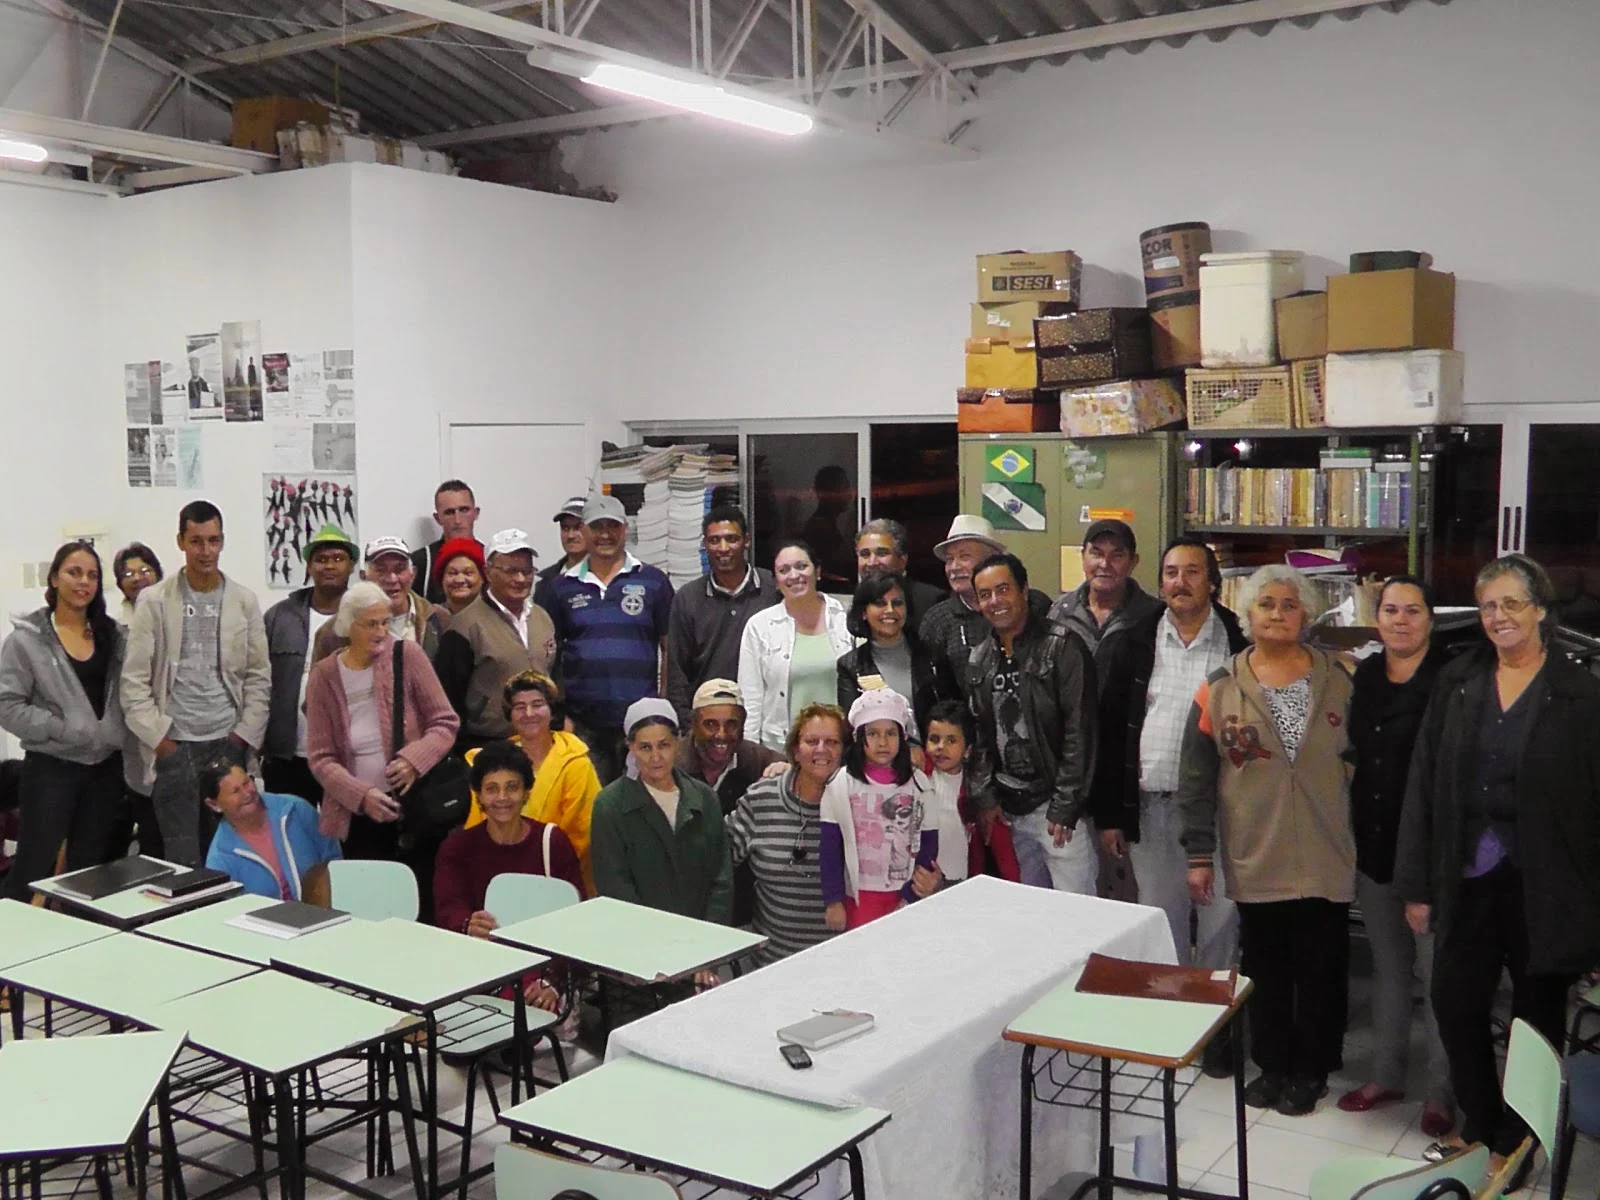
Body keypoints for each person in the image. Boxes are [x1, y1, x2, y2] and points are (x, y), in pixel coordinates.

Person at [1396, 554, 1600, 1174]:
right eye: (1488, 606)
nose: (1499, 617)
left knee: (1535, 1021)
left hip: (1549, 886)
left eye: (1513, 603)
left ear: (1540, 609)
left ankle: (1518, 1141)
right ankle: (1481, 1126)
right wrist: (1417, 883)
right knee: (1455, 1003)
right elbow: (1424, 787)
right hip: (1468, 876)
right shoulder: (1459, 683)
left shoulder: (1581, 694)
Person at [1179, 564, 1353, 1118]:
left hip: (1328, 849)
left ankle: (1313, 1069)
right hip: (1257, 850)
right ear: (1248, 616)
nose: (1278, 614)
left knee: (1322, 968)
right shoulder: (1218, 688)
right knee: (1268, 968)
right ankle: (1273, 1065)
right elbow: (1197, 778)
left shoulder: (1342, 678)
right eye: (1266, 605)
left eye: (1289, 604)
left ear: (1305, 614)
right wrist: (1200, 854)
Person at [1094, 536, 1247, 966]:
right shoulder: (1132, 642)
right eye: (1171, 573)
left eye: (1193, 572)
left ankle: (1216, 1025)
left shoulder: (1239, 642)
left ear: (1213, 583)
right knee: (1162, 924)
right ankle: (1173, 1022)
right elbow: (1108, 731)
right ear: (1160, 584)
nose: (1181, 582)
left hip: (1222, 811)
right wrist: (1110, 816)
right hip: (1153, 808)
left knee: (1220, 921)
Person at [1339, 575, 1452, 1133]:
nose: (1401, 620)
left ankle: (1442, 1093)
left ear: (1430, 618)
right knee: (1388, 969)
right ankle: (1386, 1074)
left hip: (1430, 858)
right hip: (1375, 845)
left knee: (1437, 981)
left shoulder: (1452, 679)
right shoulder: (1366, 674)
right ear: (1376, 618)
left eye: (1412, 610)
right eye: (1390, 610)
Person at [122, 501, 270, 867]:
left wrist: (243, 737)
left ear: (222, 542)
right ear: (181, 541)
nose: (206, 551)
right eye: (197, 541)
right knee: (183, 860)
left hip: (228, 743)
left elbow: (258, 675)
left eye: (213, 541)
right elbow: (134, 681)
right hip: (176, 745)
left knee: (234, 852)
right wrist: (161, 742)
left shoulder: (244, 601)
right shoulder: (154, 601)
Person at [305, 582, 460, 911]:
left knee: (421, 904)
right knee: (368, 907)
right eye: (371, 624)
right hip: (359, 815)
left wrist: (413, 760)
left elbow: (445, 722)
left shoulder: (408, 655)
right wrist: (360, 796)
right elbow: (320, 758)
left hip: (415, 810)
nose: (381, 631)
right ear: (349, 626)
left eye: (385, 622)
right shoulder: (323, 676)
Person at [0, 542, 128, 899]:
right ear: (54, 578)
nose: (83, 582)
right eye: (74, 572)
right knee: (33, 866)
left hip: (104, 770)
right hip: (51, 769)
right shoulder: (26, 641)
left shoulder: (114, 637)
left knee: (87, 873)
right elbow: (7, 704)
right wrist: (62, 730)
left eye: (92, 575)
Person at [966, 553, 1099, 895]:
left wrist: (1065, 806)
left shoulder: (1062, 646)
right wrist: (985, 797)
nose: (995, 601)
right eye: (985, 594)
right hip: (1010, 810)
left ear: (1023, 589)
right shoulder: (980, 658)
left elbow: (1079, 731)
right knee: (1032, 915)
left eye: (1003, 589)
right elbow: (981, 735)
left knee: (1077, 918)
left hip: (1056, 809)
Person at [434, 739, 585, 1012]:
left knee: (524, 1015)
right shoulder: (457, 848)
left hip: (543, 969)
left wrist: (553, 982)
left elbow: (576, 922)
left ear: (527, 792)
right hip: (479, 967)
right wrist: (467, 923)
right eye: (492, 789)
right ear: (478, 795)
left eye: (512, 787)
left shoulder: (552, 842)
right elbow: (447, 908)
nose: (502, 798)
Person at [545, 496, 674, 785]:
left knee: (643, 802)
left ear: (625, 529)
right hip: (583, 726)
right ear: (584, 531)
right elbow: (551, 657)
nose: (605, 534)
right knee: (592, 806)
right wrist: (560, 715)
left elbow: (669, 648)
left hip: (642, 723)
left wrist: (663, 705)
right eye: (596, 526)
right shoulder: (560, 588)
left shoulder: (654, 581)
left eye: (612, 526)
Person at [589, 700, 732, 948]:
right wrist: (652, 947)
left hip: (700, 944)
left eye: (664, 745)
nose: (656, 757)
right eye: (645, 747)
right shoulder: (610, 806)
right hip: (639, 949)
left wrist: (709, 943)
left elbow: (721, 878)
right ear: (630, 747)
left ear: (677, 742)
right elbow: (615, 887)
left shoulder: (703, 798)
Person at [726, 702, 847, 965]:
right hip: (769, 965)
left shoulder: (860, 803)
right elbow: (717, 863)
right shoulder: (761, 799)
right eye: (811, 741)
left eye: (833, 742)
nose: (821, 750)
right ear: (794, 749)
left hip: (841, 963)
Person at [461, 672, 601, 893]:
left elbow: (582, 837)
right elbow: (477, 827)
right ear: (510, 714)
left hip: (558, 881)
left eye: (537, 705)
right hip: (495, 880)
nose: (529, 714)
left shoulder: (577, 764)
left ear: (551, 709)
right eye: (519, 707)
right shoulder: (491, 762)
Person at [819, 688, 938, 930]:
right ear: (859, 738)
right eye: (873, 734)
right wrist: (833, 900)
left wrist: (912, 893)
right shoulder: (841, 784)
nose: (882, 742)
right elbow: (830, 848)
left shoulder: (919, 784)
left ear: (903, 737)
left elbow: (928, 841)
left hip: (905, 895)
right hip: (859, 899)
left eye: (890, 733)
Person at [434, 530, 558, 754]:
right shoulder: (465, 626)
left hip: (542, 743)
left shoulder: (543, 618)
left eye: (527, 571)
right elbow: (448, 700)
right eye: (510, 571)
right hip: (488, 746)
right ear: (488, 573)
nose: (520, 579)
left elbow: (554, 678)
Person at [261, 524, 357, 806]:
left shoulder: (363, 618)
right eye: (321, 559)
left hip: (345, 755)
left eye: (338, 559)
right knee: (288, 833)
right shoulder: (279, 616)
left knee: (341, 838)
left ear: (351, 565)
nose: (329, 566)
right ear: (309, 566)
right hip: (286, 754)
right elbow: (258, 679)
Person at [676, 678, 783, 925]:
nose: (721, 735)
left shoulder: (759, 761)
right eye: (710, 725)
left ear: (744, 725)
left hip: (741, 901)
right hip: (683, 896)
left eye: (731, 724)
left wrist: (788, 772)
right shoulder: (672, 766)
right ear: (693, 724)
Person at [665, 506, 779, 726]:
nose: (723, 548)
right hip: (708, 722)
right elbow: (677, 674)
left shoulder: (772, 589)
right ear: (705, 544)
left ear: (746, 541)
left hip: (765, 719)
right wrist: (688, 726)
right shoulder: (688, 598)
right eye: (714, 540)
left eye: (731, 539)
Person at [918, 516, 1052, 700]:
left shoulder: (1034, 603)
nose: (954, 567)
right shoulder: (937, 619)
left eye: (964, 557)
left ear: (991, 561)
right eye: (949, 559)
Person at [738, 540, 853, 753]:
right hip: (781, 750)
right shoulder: (760, 627)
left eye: (801, 566)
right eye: (784, 570)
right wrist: (752, 754)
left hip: (840, 748)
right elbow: (750, 700)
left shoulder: (845, 618)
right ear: (776, 582)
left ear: (818, 572)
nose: (794, 575)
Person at [202, 757, 341, 904]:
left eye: (247, 782)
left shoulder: (296, 809)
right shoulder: (219, 860)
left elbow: (334, 859)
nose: (247, 793)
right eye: (236, 791)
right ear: (214, 804)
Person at [836, 572, 943, 741]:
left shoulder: (932, 655)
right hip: (879, 761)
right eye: (880, 603)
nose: (890, 610)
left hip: (934, 757)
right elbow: (854, 729)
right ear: (863, 612)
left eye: (898, 603)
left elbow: (949, 713)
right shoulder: (849, 666)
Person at [1050, 519, 1163, 678]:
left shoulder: (1155, 617)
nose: (1104, 564)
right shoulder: (1059, 613)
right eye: (1096, 554)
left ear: (1133, 562)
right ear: (1083, 558)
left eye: (1117, 556)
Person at [315, 537, 443, 662]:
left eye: (399, 570)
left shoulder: (439, 619)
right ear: (364, 576)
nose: (392, 579)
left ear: (412, 574)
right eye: (381, 570)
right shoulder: (334, 631)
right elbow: (319, 681)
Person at [854, 519, 946, 628]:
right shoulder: (852, 603)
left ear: (902, 560)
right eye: (865, 554)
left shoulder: (931, 601)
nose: (872, 562)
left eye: (882, 553)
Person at [410, 480, 481, 606]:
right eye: (449, 512)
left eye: (464, 510)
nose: (457, 520)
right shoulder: (421, 562)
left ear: (476, 513)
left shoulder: (491, 558)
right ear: (438, 518)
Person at [801, 464, 857, 590]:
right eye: (844, 489)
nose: (849, 495)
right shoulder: (820, 528)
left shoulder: (830, 524)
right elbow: (839, 569)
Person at [536, 496, 590, 592]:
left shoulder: (607, 575)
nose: (570, 535)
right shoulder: (544, 580)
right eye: (565, 528)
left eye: (578, 528)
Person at [432, 537, 485, 619]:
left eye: (468, 573)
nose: (459, 580)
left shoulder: (499, 618)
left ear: (482, 577)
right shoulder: (428, 620)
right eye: (452, 573)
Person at [112, 543, 163, 627]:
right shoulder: (116, 626)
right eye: (128, 574)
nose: (137, 578)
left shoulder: (175, 612)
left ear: (157, 575)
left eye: (144, 571)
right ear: (120, 584)